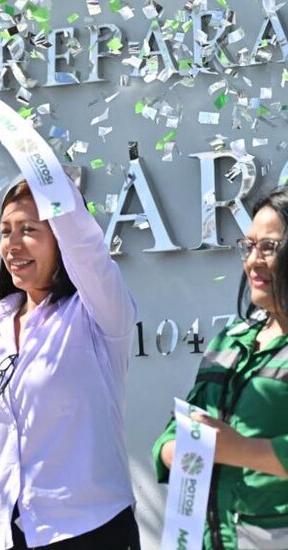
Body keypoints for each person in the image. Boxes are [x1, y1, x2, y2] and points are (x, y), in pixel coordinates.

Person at [0, 110, 140, 550]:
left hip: (88, 532)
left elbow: (78, 229)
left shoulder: (96, 314)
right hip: (0, 538)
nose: (13, 244)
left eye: (30, 230)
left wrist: (17, 138)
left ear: (60, 241)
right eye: (5, 231)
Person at [152, 187, 288, 550]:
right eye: (249, 246)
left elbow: (227, 447)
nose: (254, 260)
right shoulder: (231, 338)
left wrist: (236, 449)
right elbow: (184, 422)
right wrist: (171, 447)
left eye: (270, 248)